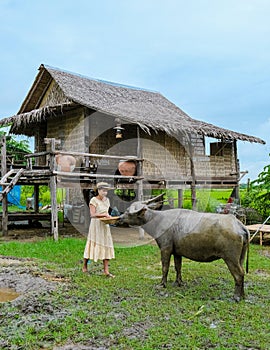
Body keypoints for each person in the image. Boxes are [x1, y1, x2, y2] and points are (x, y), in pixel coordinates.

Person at [82, 182, 115, 277]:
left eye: (106, 191)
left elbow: (106, 212)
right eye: (103, 190)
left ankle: (106, 271)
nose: (105, 193)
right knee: (93, 244)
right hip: (96, 225)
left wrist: (108, 218)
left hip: (105, 225)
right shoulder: (93, 200)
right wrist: (103, 215)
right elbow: (92, 215)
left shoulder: (107, 200)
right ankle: (84, 265)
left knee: (106, 244)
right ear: (98, 190)